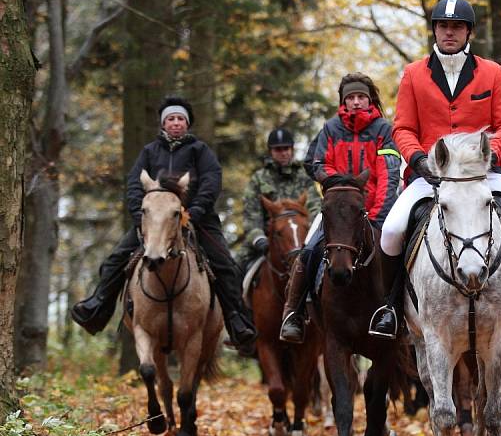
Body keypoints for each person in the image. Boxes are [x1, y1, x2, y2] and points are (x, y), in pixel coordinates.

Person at [372, 0, 501, 338]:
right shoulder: (414, 75)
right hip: (432, 175)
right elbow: (402, 128)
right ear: (435, 29)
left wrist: (490, 152)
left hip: (484, 174)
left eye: (457, 27)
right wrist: (418, 159)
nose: (450, 32)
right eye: (443, 26)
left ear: (469, 32)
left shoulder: (491, 72)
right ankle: (390, 307)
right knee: (390, 232)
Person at [71, 96, 258, 349]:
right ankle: (98, 306)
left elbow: (211, 181)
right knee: (115, 259)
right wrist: (140, 215)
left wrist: (195, 211)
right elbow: (135, 184)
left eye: (181, 119)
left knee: (226, 264)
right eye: (171, 119)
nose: (176, 123)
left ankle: (237, 321)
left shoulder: (200, 151)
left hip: (197, 219)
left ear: (187, 124)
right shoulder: (149, 151)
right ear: (163, 124)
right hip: (153, 221)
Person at [278, 73, 402, 343]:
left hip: (372, 211)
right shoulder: (330, 129)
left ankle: (396, 312)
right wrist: (337, 185)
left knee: (399, 250)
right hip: (336, 215)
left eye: (361, 97)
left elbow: (389, 174)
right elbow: (315, 163)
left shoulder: (383, 130)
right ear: (343, 101)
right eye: (351, 98)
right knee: (309, 250)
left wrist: (379, 215)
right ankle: (293, 314)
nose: (356, 102)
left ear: (369, 100)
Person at [240, 127, 320, 271]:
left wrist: (310, 238)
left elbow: (315, 209)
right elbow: (250, 215)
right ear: (271, 151)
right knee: (234, 267)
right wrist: (259, 239)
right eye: (278, 149)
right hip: (267, 240)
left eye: (286, 148)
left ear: (292, 149)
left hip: (302, 239)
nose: (283, 153)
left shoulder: (304, 177)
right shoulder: (258, 179)